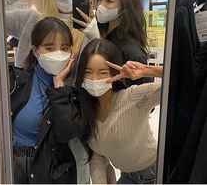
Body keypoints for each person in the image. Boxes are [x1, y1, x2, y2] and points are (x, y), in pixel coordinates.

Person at [47, 38, 162, 184]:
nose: (94, 79)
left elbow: (183, 81)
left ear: (114, 72)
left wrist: (147, 70)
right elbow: (96, 158)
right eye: (88, 72)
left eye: (102, 72)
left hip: (155, 174)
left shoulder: (133, 97)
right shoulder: (88, 110)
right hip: (128, 177)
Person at [9, 17, 89, 184]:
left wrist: (59, 85)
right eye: (49, 48)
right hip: (14, 165)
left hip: (51, 170)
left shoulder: (75, 89)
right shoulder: (18, 80)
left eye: (64, 48)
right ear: (36, 50)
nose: (58, 54)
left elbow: (69, 131)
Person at [4, 0, 99, 69]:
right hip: (29, 85)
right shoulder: (31, 20)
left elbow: (98, 70)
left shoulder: (87, 32)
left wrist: (95, 38)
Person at [74, 0, 153, 86]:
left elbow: (141, 95)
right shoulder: (102, 34)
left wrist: (98, 43)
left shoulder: (131, 51)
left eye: (109, 1)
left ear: (125, 7)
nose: (101, 5)